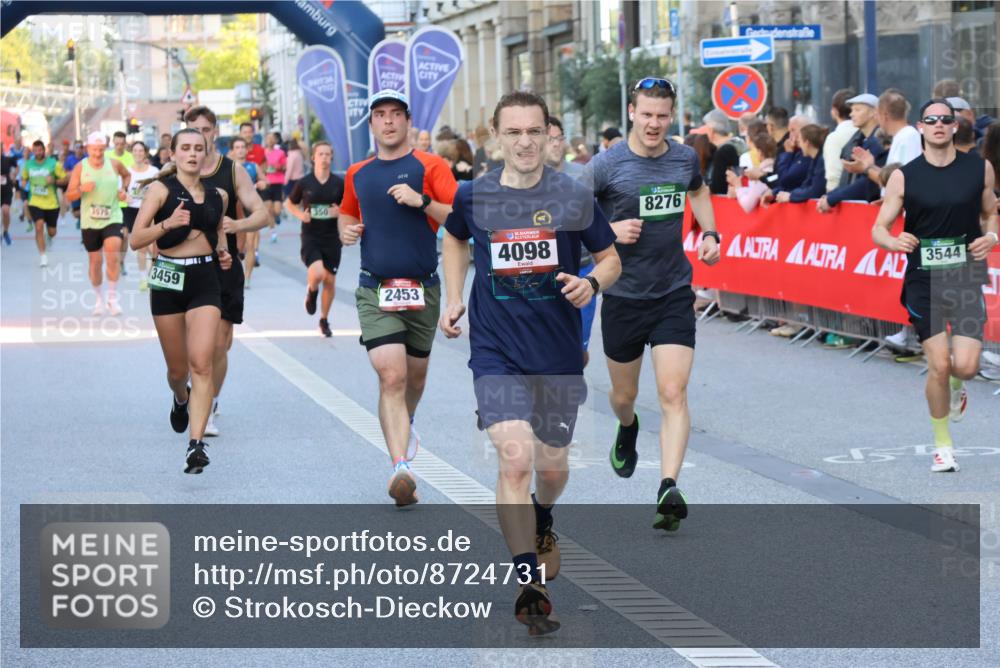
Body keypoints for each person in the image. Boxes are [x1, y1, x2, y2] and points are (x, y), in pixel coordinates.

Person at [440, 91, 620, 636]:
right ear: (496, 135)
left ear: (548, 135)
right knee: (515, 461)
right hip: (496, 352)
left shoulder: (572, 196)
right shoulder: (475, 196)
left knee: (551, 469)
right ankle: (529, 582)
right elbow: (453, 239)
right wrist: (453, 295)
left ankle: (544, 517)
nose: (523, 141)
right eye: (513, 132)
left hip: (558, 355)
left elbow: (610, 259)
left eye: (533, 131)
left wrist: (590, 283)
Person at [585, 77, 721, 532]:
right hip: (622, 296)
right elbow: (570, 220)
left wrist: (710, 232)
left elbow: (698, 190)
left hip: (672, 293)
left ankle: (668, 486)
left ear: (671, 116)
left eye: (662, 116)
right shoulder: (605, 166)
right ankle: (627, 426)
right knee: (624, 397)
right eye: (646, 114)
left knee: (672, 392)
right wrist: (608, 234)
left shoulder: (683, 157)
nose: (654, 124)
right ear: (631, 111)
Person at [338, 89, 458, 505]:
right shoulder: (358, 172)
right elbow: (347, 212)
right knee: (391, 375)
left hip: (422, 287)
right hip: (376, 288)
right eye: (380, 115)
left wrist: (422, 201)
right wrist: (346, 230)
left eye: (396, 114)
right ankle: (399, 466)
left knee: (415, 378)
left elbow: (461, 216)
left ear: (408, 122)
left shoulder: (431, 165)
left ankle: (405, 421)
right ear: (371, 124)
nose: (388, 121)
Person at [871, 99, 998, 472]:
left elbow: (991, 213)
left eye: (946, 119)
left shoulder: (979, 168)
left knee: (968, 366)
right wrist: (892, 241)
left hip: (965, 276)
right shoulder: (904, 176)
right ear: (921, 127)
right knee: (939, 364)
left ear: (955, 127)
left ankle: (959, 390)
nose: (940, 124)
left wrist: (991, 238)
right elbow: (879, 227)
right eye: (932, 120)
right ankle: (943, 445)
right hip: (923, 279)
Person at [129, 128, 233, 474]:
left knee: (201, 362)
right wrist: (167, 225)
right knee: (178, 371)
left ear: (206, 154)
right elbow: (136, 238)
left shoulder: (219, 195)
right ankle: (180, 397)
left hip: (205, 280)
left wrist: (223, 253)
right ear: (173, 154)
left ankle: (195, 444)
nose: (192, 154)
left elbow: (217, 231)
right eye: (184, 148)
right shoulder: (161, 190)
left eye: (198, 148)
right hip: (168, 279)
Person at [183, 106, 271, 438]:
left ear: (214, 132)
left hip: (224, 264)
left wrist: (238, 223)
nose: (200, 137)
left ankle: (210, 401)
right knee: (190, 349)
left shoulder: (232, 171)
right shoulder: (173, 171)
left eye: (206, 130)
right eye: (194, 130)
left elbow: (261, 214)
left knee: (220, 343)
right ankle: (188, 392)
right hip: (185, 269)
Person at [65, 132, 131, 315]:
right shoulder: (80, 167)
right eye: (94, 149)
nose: (97, 153)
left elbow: (127, 175)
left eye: (101, 149)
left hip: (113, 217)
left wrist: (123, 189)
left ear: (106, 148)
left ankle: (112, 298)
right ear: (88, 148)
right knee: (95, 262)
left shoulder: (114, 164)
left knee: (113, 253)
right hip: (90, 221)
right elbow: (69, 195)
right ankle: (99, 300)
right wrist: (81, 189)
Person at [285, 141, 344, 337]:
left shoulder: (339, 183)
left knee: (330, 280)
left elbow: (350, 208)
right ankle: (311, 290)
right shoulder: (305, 182)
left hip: (332, 236)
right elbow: (289, 204)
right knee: (318, 274)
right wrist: (301, 215)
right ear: (313, 157)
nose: (324, 158)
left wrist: (340, 212)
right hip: (311, 236)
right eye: (321, 154)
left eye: (328, 154)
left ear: (331, 157)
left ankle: (324, 320)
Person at [818, 93, 886, 212]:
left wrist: (832, 198)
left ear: (873, 113)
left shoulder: (880, 143)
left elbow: (867, 184)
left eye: (857, 110)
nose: (851, 114)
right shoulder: (857, 140)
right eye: (851, 110)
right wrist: (832, 196)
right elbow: (849, 179)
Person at [21, 140, 67, 267]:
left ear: (44, 150)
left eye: (40, 150)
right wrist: (23, 183)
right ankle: (43, 256)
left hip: (51, 203)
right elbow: (24, 178)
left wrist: (54, 180)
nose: (37, 153)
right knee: (39, 226)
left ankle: (49, 237)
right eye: (35, 150)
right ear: (32, 151)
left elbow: (64, 180)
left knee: (52, 232)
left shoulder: (53, 164)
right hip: (35, 201)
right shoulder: (28, 164)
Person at [229, 137, 268, 286]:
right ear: (232, 150)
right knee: (237, 246)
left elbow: (265, 181)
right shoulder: (228, 167)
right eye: (237, 147)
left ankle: (247, 278)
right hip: (233, 208)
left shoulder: (253, 166)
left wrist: (262, 183)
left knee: (250, 244)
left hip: (250, 207)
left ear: (246, 149)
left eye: (242, 147)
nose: (240, 150)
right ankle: (236, 271)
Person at [123, 141, 159, 291]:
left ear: (145, 153)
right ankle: (143, 278)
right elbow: (120, 189)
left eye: (140, 150)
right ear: (132, 153)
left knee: (153, 245)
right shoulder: (126, 171)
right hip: (132, 211)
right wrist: (125, 195)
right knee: (141, 246)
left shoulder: (153, 171)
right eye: (135, 150)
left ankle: (154, 274)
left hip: (150, 210)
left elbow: (161, 189)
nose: (138, 153)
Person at [768, 124, 827, 203]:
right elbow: (805, 185)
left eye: (800, 142)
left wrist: (790, 196)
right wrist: (778, 192)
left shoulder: (821, 161)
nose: (799, 145)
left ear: (806, 142)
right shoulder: (815, 160)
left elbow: (815, 191)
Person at [824, 88, 858, 192]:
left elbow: (833, 176)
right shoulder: (865, 133)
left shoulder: (834, 138)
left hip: (839, 198)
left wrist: (830, 198)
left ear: (834, 111)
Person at [703, 110, 742, 195]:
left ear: (711, 130)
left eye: (705, 126)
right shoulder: (737, 144)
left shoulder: (724, 151)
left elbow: (718, 187)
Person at [263, 131, 287, 243]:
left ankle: (277, 215)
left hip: (277, 182)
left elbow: (285, 167)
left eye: (272, 138)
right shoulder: (262, 153)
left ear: (276, 141)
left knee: (276, 210)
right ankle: (273, 232)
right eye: (268, 138)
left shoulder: (280, 153)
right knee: (268, 209)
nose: (270, 140)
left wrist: (279, 167)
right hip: (266, 183)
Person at [1, 151, 15, 245]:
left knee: (5, 211)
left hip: (6, 190)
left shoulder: (7, 159)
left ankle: (5, 232)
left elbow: (17, 165)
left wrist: (14, 175)